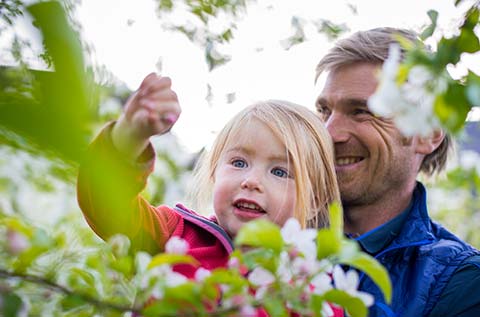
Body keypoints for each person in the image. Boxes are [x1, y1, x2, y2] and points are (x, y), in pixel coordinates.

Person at [77, 73, 343, 315]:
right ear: (215, 173)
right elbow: (106, 203)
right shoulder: (173, 236)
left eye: (280, 172)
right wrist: (129, 136)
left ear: (314, 200)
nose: (251, 181)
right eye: (239, 163)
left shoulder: (312, 292)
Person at [314, 27, 480, 317]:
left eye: (361, 111)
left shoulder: (460, 282)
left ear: (427, 134)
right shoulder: (261, 229)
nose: (329, 133)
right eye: (324, 111)